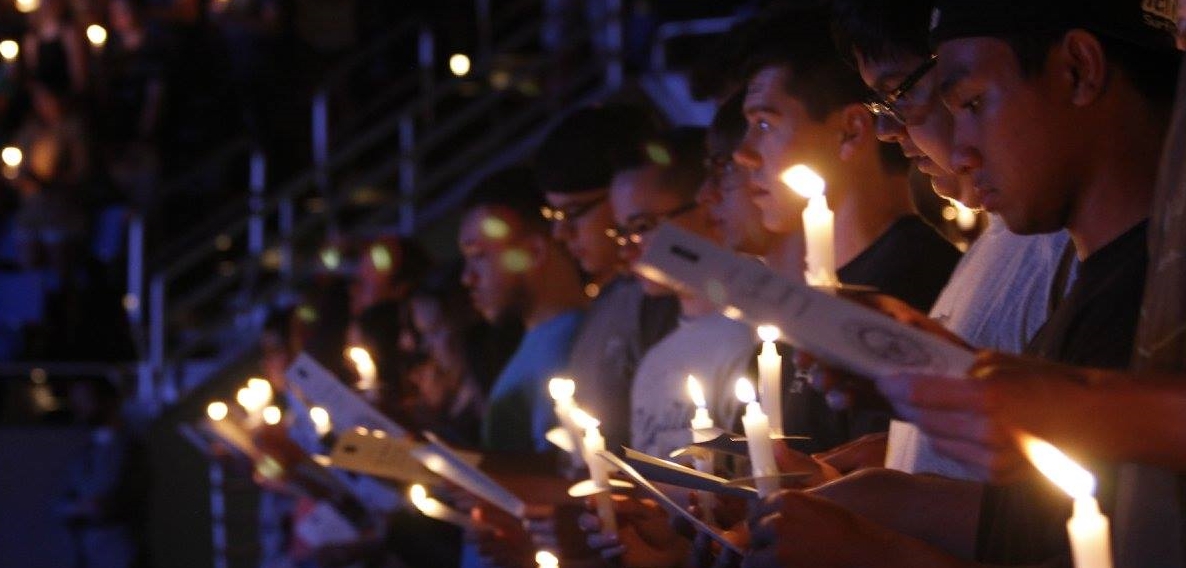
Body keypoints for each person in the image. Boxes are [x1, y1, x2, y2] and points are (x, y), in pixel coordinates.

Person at [746, 1, 1180, 566]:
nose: (963, 149)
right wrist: (904, 476)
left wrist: (875, 551)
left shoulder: (1155, 292)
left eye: (974, 103)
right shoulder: (1099, 284)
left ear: (1077, 68)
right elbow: (1051, 526)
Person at [832, 0, 1075, 478]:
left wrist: (894, 515)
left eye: (899, 93)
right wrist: (893, 461)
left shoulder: (1061, 241)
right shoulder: (1002, 237)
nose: (887, 130)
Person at [536, 104, 680, 453]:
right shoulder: (610, 297)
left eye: (573, 213)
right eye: (552, 214)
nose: (560, 232)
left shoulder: (662, 300)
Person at [458, 166, 588, 454]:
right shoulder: (538, 346)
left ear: (533, 252)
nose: (467, 278)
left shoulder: (580, 345)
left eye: (479, 256)